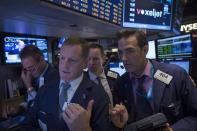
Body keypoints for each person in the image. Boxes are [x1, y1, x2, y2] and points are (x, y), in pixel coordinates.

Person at [21, 37, 114, 131]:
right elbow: (27, 125)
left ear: (85, 63)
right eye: (62, 58)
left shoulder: (99, 96)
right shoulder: (45, 89)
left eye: (72, 60)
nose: (64, 65)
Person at [111, 30, 197, 131]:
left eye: (130, 51)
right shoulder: (120, 83)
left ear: (145, 50)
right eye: (120, 52)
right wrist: (121, 125)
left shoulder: (176, 75)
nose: (123, 58)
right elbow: (125, 124)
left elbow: (194, 116)